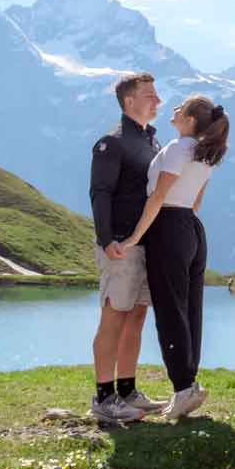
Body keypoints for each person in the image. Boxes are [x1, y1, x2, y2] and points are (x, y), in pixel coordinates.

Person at [115, 94, 229, 420]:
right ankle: (188, 383)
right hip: (192, 229)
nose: (174, 109)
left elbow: (159, 196)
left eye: (180, 107)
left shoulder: (179, 148)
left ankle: (183, 388)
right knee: (190, 308)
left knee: (169, 309)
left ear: (190, 120)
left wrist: (136, 237)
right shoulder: (205, 153)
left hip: (169, 227)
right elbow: (195, 203)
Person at [86, 72, 168, 423]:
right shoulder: (112, 142)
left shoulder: (151, 142)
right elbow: (100, 192)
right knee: (114, 315)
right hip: (121, 243)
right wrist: (107, 241)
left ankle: (127, 391)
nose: (157, 100)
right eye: (149, 95)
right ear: (129, 101)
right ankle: (104, 398)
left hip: (147, 243)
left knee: (136, 316)